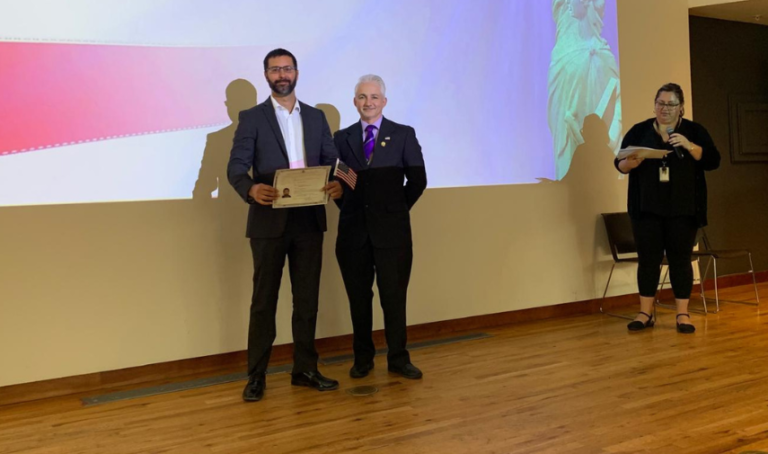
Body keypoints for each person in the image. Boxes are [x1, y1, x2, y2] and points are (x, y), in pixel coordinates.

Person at [227, 48, 343, 402]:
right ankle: (257, 375)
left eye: (287, 68)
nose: (282, 74)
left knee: (306, 300)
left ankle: (305, 369)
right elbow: (235, 168)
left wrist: (338, 181)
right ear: (266, 76)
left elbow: (331, 160)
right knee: (264, 301)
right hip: (268, 220)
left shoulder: (316, 117)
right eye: (275, 69)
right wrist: (249, 188)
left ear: (296, 72)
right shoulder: (251, 118)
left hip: (309, 219)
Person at [333, 75, 427, 380]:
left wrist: (394, 211)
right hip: (353, 235)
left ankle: (398, 358)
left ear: (384, 102)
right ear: (354, 102)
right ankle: (363, 359)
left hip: (393, 234)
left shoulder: (403, 135)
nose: (368, 102)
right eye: (362, 97)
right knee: (359, 300)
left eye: (374, 97)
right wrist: (353, 211)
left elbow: (417, 181)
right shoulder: (341, 139)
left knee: (394, 297)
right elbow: (341, 186)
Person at [615, 83, 720, 334]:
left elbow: (713, 161)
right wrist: (630, 163)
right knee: (648, 261)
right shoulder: (639, 131)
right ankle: (645, 313)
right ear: (654, 105)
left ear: (681, 107)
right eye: (660, 103)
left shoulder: (694, 131)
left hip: (683, 210)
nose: (664, 109)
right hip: (646, 209)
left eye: (671, 104)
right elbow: (619, 164)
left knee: (680, 261)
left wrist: (689, 145)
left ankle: (682, 314)